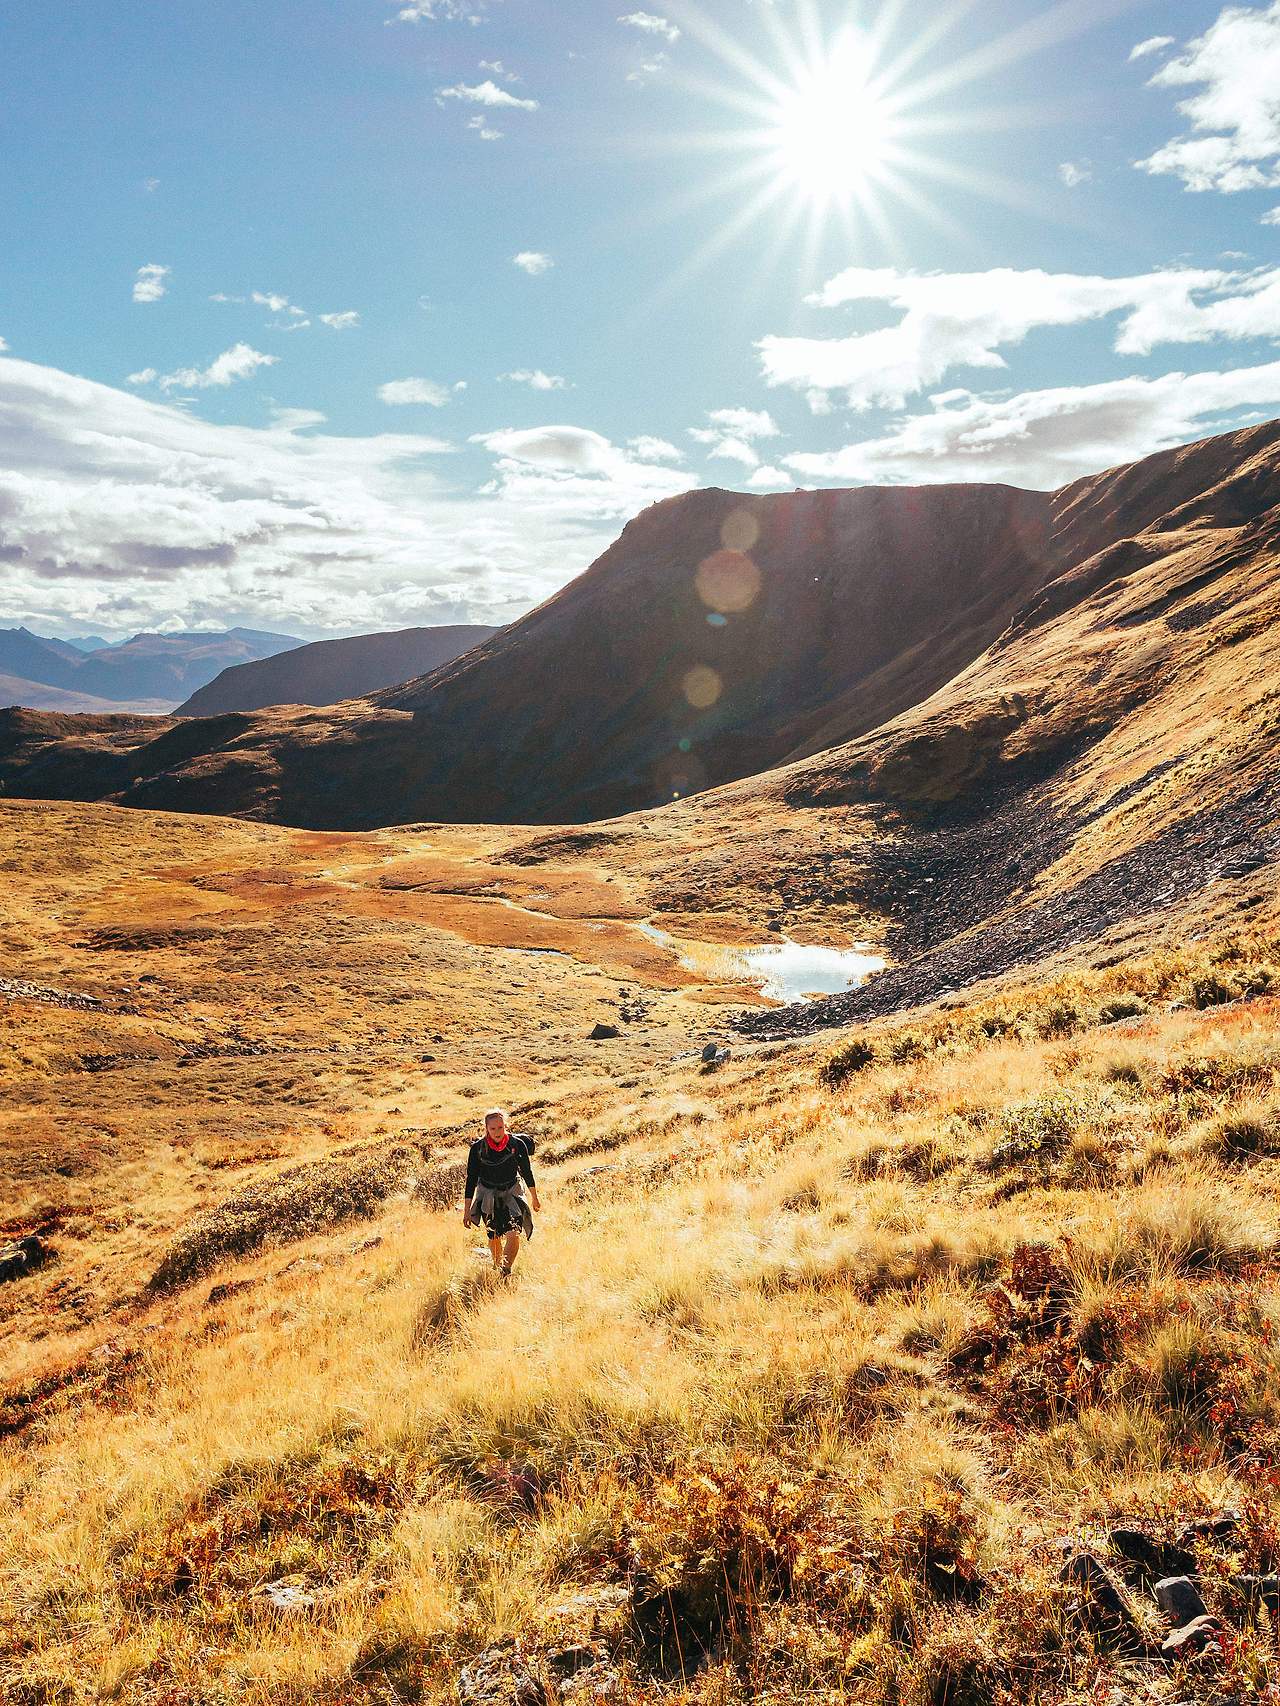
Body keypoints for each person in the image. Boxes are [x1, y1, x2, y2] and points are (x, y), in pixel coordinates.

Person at [463, 1108, 541, 1275]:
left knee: (513, 1233)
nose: (497, 1132)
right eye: (492, 1129)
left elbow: (526, 1172)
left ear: (506, 1125)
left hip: (512, 1193)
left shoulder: (517, 1145)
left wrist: (534, 1197)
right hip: (488, 1197)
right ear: (486, 1129)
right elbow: (471, 1180)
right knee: (494, 1236)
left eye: (500, 1127)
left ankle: (505, 1272)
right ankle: (497, 1265)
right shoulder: (477, 1149)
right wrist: (467, 1211)